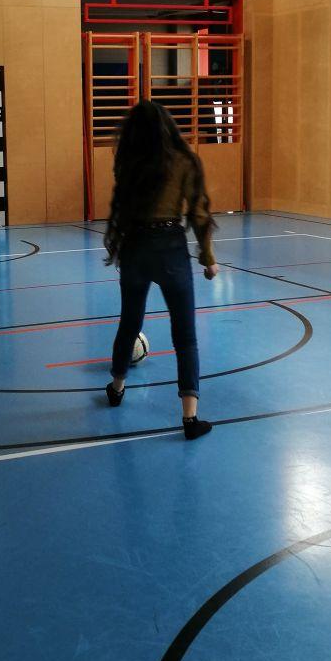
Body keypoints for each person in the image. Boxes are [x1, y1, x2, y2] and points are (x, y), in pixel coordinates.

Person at [104, 100, 219, 440]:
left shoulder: (128, 164)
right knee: (185, 336)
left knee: (129, 323)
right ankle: (189, 418)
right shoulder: (185, 161)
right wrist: (208, 258)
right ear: (168, 128)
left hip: (135, 247)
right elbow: (199, 213)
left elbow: (122, 212)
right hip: (170, 248)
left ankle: (116, 388)